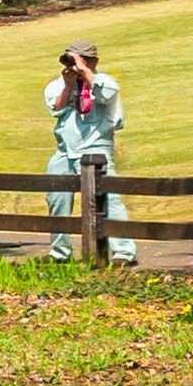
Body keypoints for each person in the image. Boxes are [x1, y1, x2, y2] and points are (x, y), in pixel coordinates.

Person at [42, 43, 124, 260]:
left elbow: (106, 96)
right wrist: (68, 85)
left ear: (93, 61)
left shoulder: (105, 82)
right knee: (56, 199)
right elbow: (56, 108)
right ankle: (60, 253)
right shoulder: (56, 85)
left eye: (80, 59)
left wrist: (86, 73)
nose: (74, 64)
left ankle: (123, 252)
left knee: (109, 199)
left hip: (97, 149)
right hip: (64, 151)